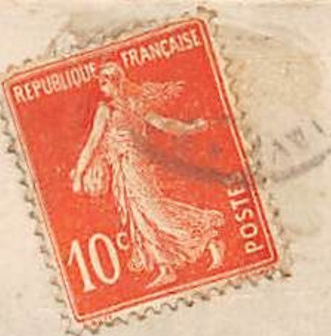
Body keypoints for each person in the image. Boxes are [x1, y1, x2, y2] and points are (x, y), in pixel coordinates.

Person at [70, 62, 226, 289]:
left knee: (156, 212)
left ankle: (209, 240)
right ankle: (165, 268)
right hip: (122, 170)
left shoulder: (128, 105)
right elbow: (93, 143)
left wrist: (191, 128)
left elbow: (164, 124)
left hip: (135, 166)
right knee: (139, 217)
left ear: (115, 81)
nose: (102, 88)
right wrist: (80, 173)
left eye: (104, 82)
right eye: (101, 83)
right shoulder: (111, 108)